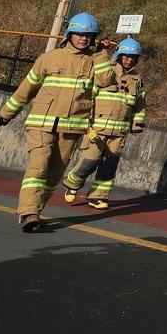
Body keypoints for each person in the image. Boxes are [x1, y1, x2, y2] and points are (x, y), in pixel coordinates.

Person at [0, 12, 115, 231]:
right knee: (38, 168)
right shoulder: (49, 58)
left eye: (88, 35)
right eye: (79, 34)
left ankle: (35, 211)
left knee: (53, 175)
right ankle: (28, 212)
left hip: (71, 128)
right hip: (42, 125)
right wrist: (7, 112)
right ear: (69, 35)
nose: (83, 38)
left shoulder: (95, 61)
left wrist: (101, 55)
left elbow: (106, 82)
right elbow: (27, 88)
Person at [62, 36, 147, 210]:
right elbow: (88, 97)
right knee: (90, 161)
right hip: (97, 128)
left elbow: (139, 103)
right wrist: (86, 122)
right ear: (119, 55)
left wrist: (137, 123)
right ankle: (73, 183)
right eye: (126, 56)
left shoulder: (137, 79)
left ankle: (98, 196)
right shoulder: (106, 71)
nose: (129, 60)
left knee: (110, 165)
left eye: (133, 57)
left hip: (119, 132)